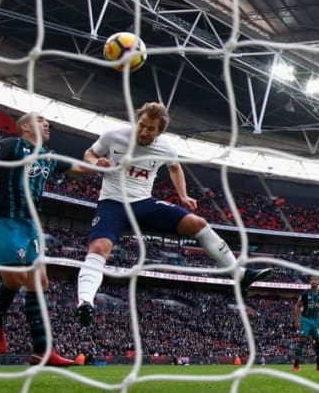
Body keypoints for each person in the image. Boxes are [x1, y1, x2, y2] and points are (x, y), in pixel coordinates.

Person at [75, 102, 272, 326]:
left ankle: (239, 274)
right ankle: (85, 303)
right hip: (113, 203)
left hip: (144, 203)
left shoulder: (166, 148)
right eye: (141, 125)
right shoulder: (114, 136)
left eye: (150, 129)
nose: (143, 131)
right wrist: (95, 161)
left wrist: (183, 196)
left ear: (160, 131)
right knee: (99, 248)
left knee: (197, 223)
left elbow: (175, 167)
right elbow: (89, 153)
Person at [0, 112, 88, 366]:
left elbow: (78, 169)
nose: (47, 124)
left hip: (30, 226)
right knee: (17, 279)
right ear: (25, 127)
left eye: (48, 122)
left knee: (40, 279)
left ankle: (42, 352)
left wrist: (102, 160)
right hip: (2, 222)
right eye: (41, 120)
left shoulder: (48, 156)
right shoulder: (12, 145)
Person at [293, 276, 319, 371]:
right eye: (312, 280)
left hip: (316, 320)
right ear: (310, 282)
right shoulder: (305, 293)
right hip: (305, 319)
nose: (314, 281)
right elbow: (297, 306)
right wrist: (296, 321)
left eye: (316, 279)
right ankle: (296, 365)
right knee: (302, 340)